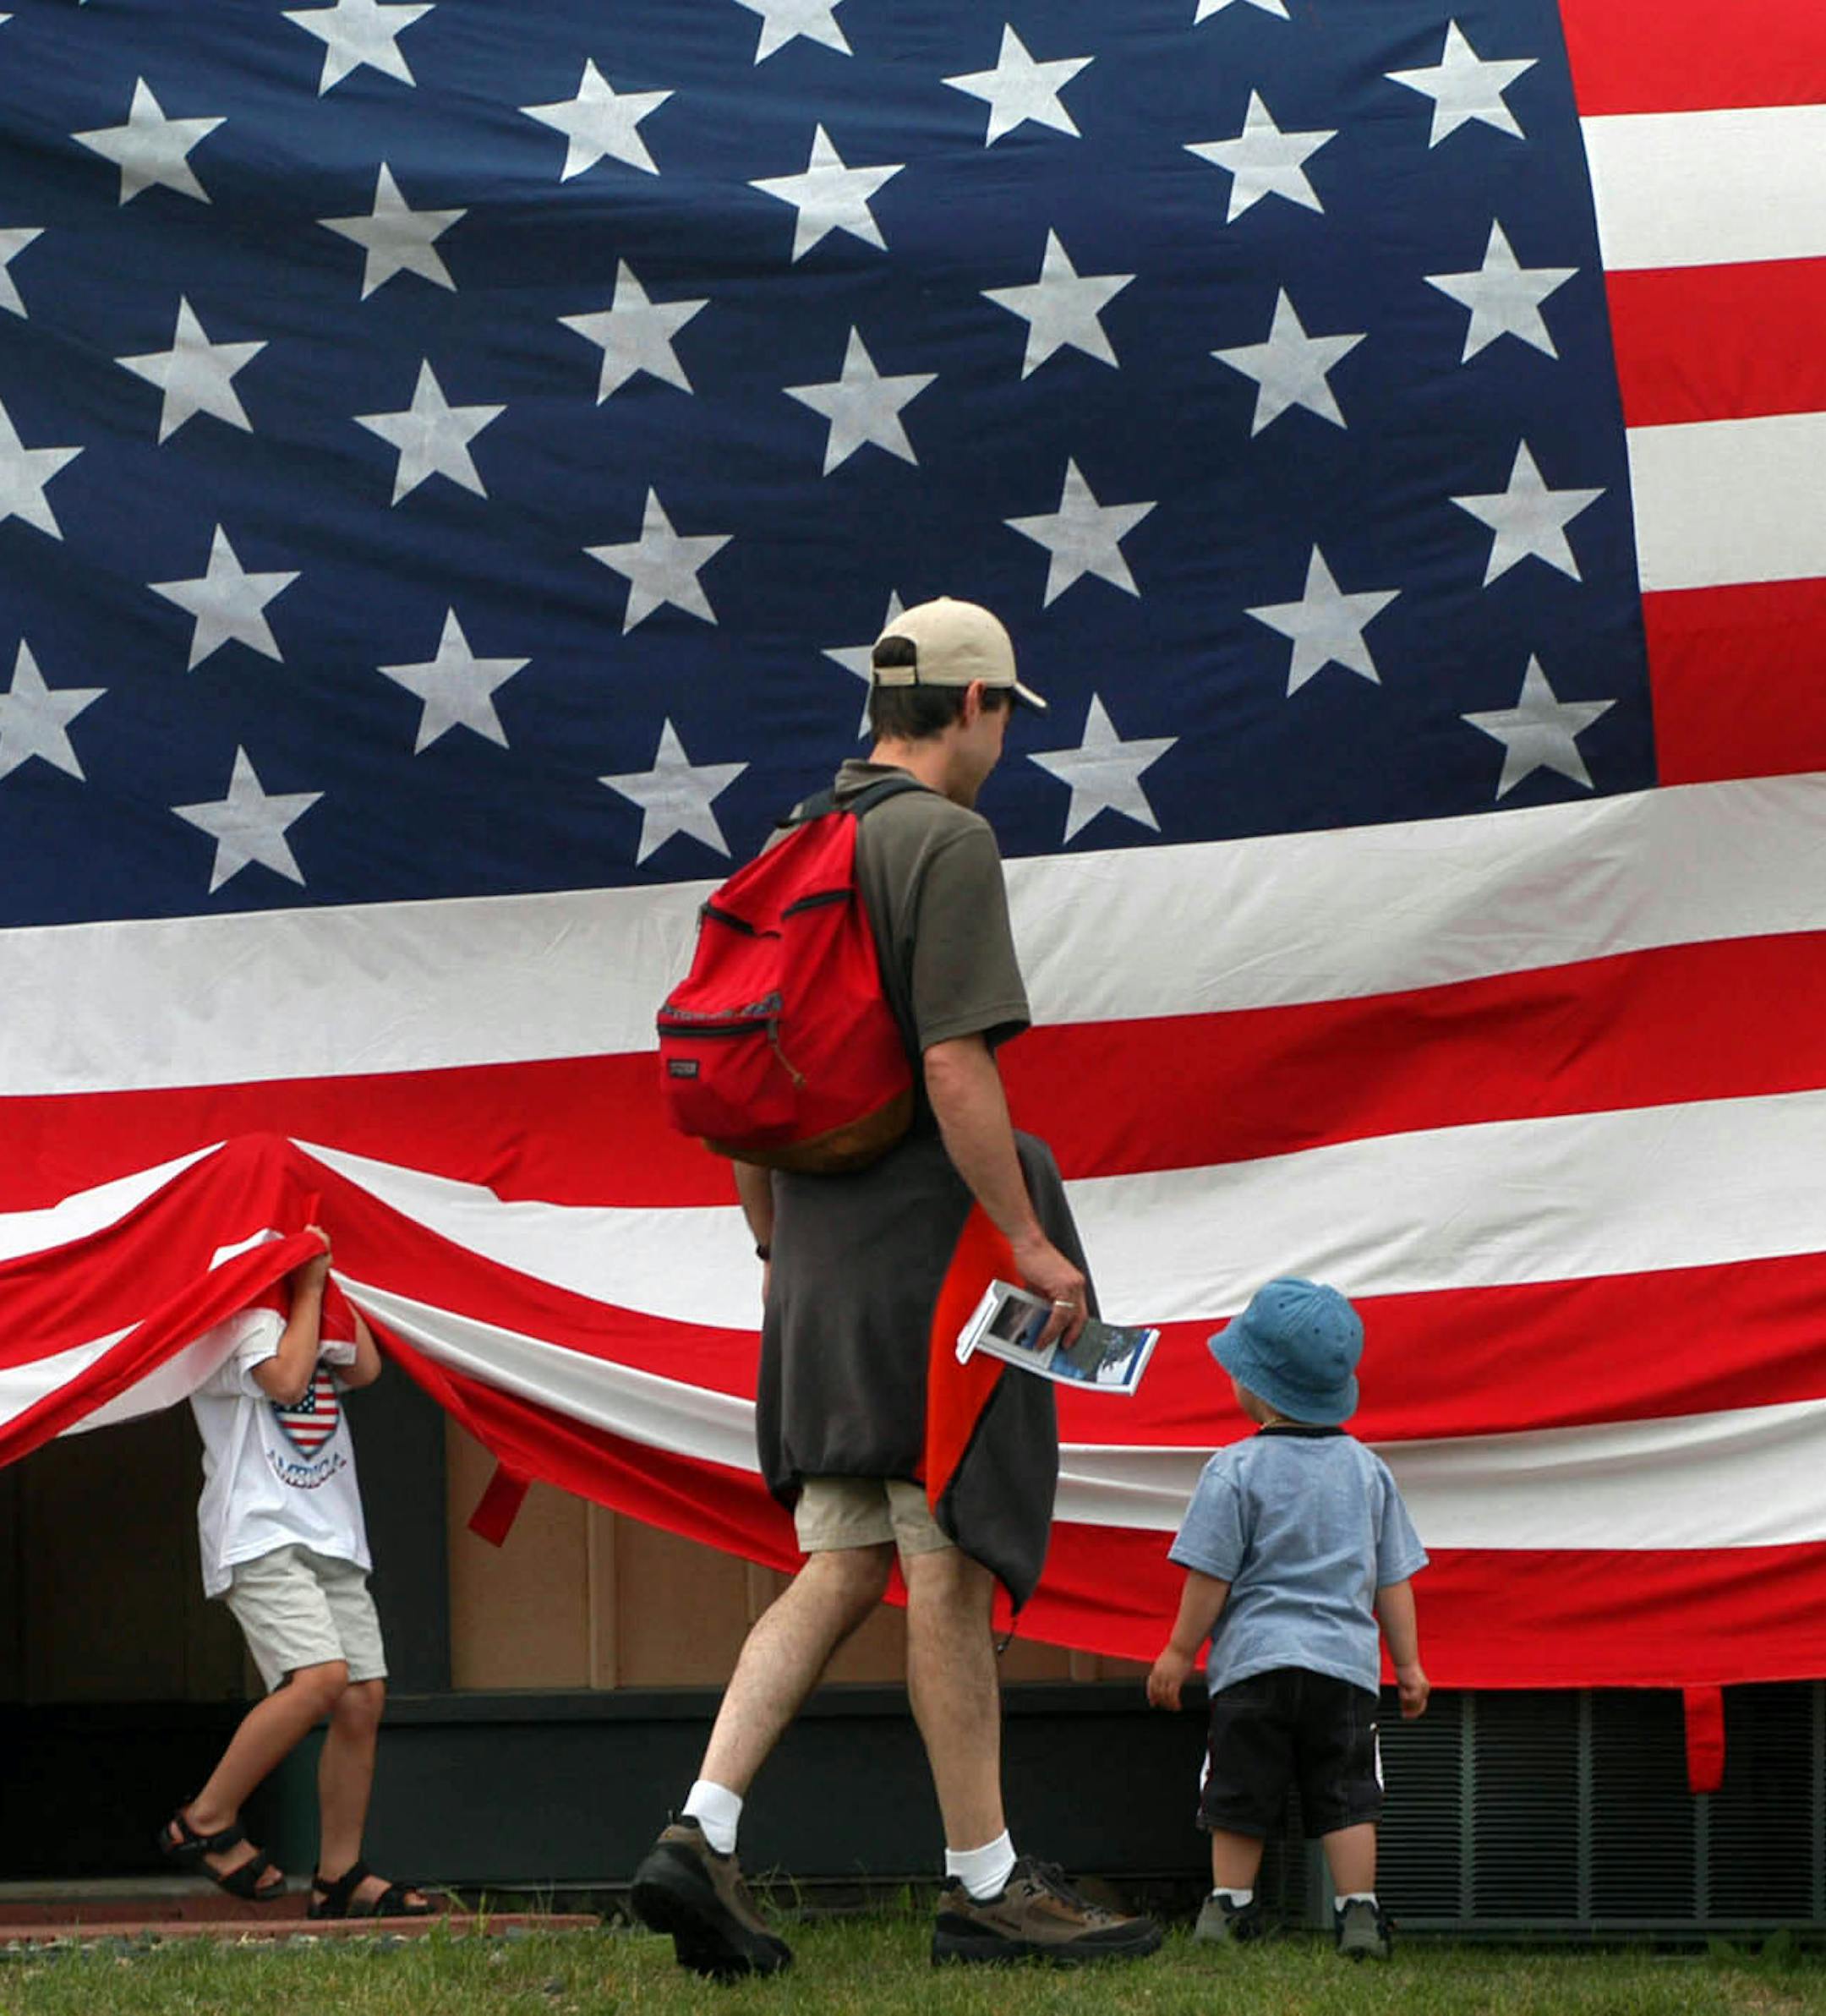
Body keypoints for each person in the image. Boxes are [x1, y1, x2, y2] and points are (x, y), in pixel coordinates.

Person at [631, 598, 1162, 1975]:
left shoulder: (789, 840)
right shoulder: (942, 840)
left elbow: (740, 1094)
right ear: (976, 706)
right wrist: (1032, 1243)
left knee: (844, 1554)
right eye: (1004, 718)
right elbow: (953, 1067)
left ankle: (701, 1826)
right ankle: (984, 1884)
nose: (1002, 743)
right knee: (945, 1562)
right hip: (931, 1264)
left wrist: (770, 1254)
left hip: (808, 1257)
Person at [1145, 1277, 1429, 1961]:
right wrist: (1410, 1664)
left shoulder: (1233, 1469)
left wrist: (1180, 1652)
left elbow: (1209, 1574)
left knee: (1238, 1790)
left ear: (1258, 1389)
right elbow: (1394, 1578)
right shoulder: (1368, 1471)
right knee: (1348, 1794)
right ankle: (1358, 1912)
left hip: (1254, 1666)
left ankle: (1228, 1908)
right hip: (1345, 1672)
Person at [158, 1224, 432, 1920]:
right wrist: (307, 1287)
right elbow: (283, 1377)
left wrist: (330, 1286)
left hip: (331, 1531)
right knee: (319, 1679)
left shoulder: (302, 1309)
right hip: (260, 1534)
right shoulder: (230, 1319)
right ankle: (207, 1816)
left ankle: (338, 1872)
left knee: (361, 1697)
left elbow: (363, 1368)